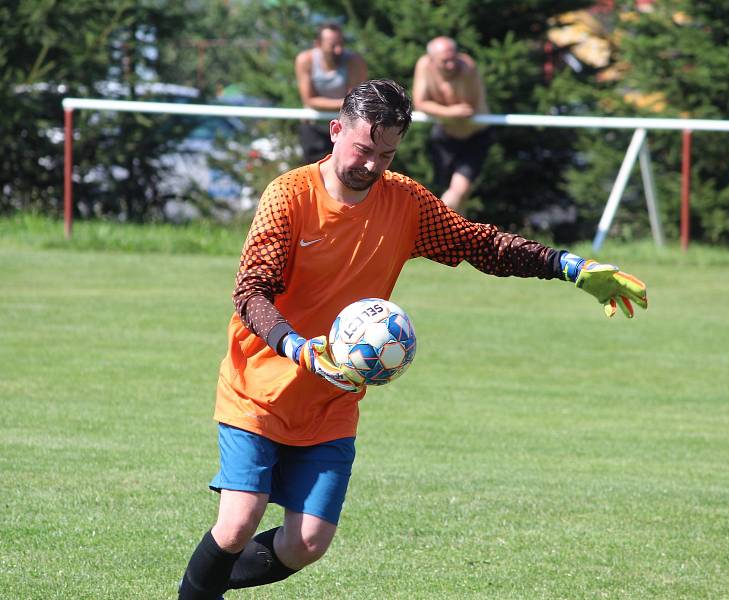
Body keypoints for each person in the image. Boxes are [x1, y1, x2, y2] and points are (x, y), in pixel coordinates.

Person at [177, 79, 648, 599]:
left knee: (307, 542)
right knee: (238, 522)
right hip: (258, 388)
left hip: (333, 399)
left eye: (387, 153)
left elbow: (480, 244)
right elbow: (250, 292)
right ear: (336, 131)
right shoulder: (288, 195)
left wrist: (567, 265)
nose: (374, 165)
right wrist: (296, 347)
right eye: (362, 149)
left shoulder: (405, 203)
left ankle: (207, 586)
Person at [412, 36, 493, 213]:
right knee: (456, 196)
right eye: (445, 61)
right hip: (444, 136)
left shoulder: (467, 68)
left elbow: (465, 111)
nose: (451, 65)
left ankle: (432, 229)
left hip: (474, 137)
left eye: (453, 58)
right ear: (432, 60)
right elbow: (420, 103)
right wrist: (449, 112)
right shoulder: (424, 65)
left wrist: (439, 109)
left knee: (459, 190)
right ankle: (456, 238)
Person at [294, 21, 368, 164]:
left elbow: (355, 100)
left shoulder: (354, 61)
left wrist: (322, 103)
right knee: (314, 174)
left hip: (345, 128)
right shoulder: (305, 60)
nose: (338, 50)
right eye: (332, 46)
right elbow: (309, 100)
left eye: (341, 44)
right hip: (314, 127)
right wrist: (343, 103)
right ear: (318, 45)